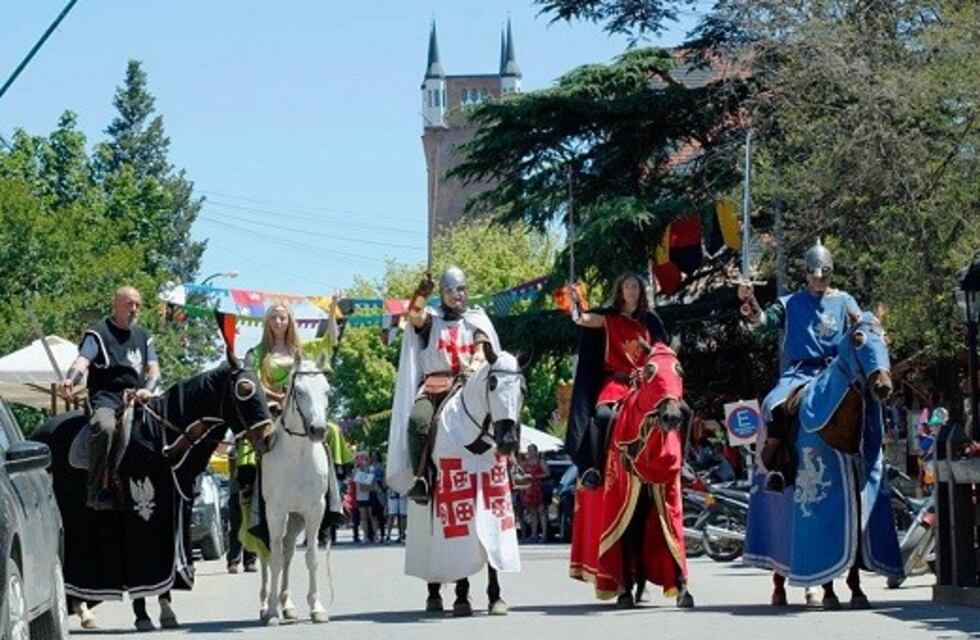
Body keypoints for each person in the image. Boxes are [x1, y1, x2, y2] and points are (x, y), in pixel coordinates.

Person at [736, 239, 861, 491]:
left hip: (838, 370)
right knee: (775, 405)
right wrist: (751, 306)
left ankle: (872, 457)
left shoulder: (845, 301)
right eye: (815, 276)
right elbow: (763, 322)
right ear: (806, 275)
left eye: (824, 275)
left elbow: (861, 328)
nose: (819, 281)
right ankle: (780, 466)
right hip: (802, 372)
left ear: (831, 273)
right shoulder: (790, 303)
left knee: (867, 400)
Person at [237, 303, 343, 560]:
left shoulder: (302, 350)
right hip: (271, 410)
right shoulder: (258, 352)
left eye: (282, 317)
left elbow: (330, 341)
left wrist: (331, 314)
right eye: (273, 317)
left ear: (290, 321)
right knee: (251, 442)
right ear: (267, 322)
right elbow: (251, 382)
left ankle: (333, 489)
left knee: (331, 430)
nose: (278, 322)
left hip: (301, 410)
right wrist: (278, 397)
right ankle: (249, 490)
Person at [387, 266, 500, 504]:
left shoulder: (477, 320)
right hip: (436, 385)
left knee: (502, 413)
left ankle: (508, 462)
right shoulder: (431, 319)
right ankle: (421, 477)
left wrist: (473, 367)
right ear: (441, 293)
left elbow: (482, 350)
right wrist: (420, 295)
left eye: (460, 289)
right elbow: (414, 316)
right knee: (418, 419)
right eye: (449, 290)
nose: (456, 294)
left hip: (468, 383)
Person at [58, 286, 160, 510]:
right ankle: (97, 492)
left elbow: (154, 370)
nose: (134, 309)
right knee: (105, 427)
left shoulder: (144, 336)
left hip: (138, 398)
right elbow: (83, 360)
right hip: (106, 399)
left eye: (137, 305)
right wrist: (70, 380)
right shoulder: (99, 333)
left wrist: (148, 388)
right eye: (129, 304)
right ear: (115, 305)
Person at [565, 272, 668, 489]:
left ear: (641, 291)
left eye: (635, 287)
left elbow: (664, 351)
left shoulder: (651, 320)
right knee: (603, 415)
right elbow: (581, 319)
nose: (631, 290)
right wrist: (574, 302)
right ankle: (593, 467)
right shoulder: (609, 320)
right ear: (620, 291)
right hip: (618, 383)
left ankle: (680, 461)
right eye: (627, 287)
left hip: (645, 384)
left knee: (681, 411)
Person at [520, 444, 550, 542]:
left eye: (532, 450)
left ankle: (544, 535)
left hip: (538, 488)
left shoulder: (540, 461)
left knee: (542, 512)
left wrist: (535, 476)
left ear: (536, 451)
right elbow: (520, 472)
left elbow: (547, 473)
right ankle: (534, 534)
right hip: (528, 489)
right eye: (529, 450)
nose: (530, 452)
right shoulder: (526, 462)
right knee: (532, 513)